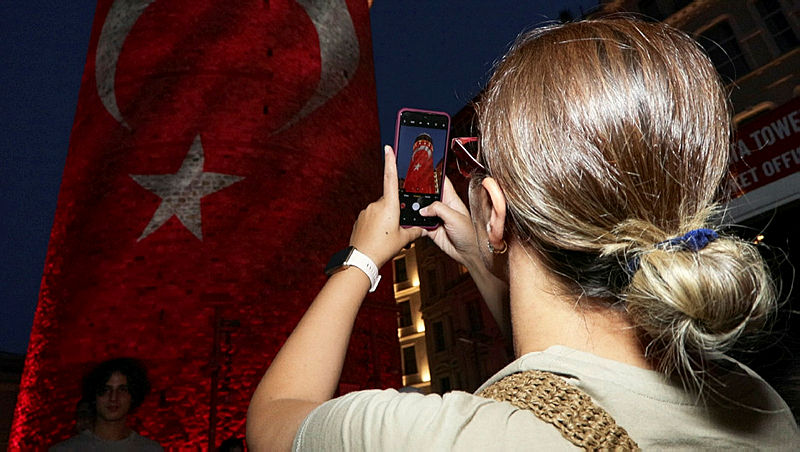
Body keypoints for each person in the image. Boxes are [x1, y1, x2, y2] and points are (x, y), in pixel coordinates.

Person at [246, 18, 800, 450]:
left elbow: (273, 422)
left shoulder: (441, 438)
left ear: (493, 208)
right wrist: (483, 255)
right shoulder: (757, 403)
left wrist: (362, 258)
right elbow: (555, 371)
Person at [51, 358, 162, 451]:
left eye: (122, 390)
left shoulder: (150, 449)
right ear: (94, 395)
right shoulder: (65, 450)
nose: (113, 398)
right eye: (106, 390)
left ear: (133, 396)